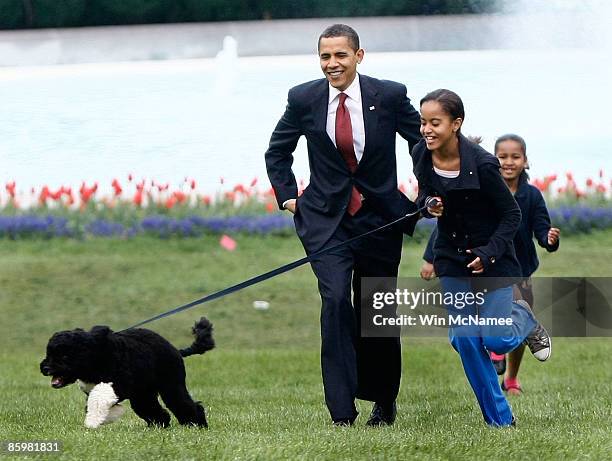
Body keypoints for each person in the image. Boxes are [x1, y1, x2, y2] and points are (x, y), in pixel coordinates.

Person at [265, 24, 422, 426]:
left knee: (376, 307)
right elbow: (278, 151)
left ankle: (383, 402)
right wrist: (287, 195)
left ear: (359, 56)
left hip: (380, 219)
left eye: (340, 56)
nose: (332, 64)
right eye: (325, 57)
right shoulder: (303, 98)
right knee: (335, 302)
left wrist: (426, 193)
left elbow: (421, 142)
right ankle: (341, 411)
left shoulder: (389, 95)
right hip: (326, 220)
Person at [412, 89, 551, 427]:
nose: (426, 130)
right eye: (422, 122)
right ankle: (501, 420)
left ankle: (525, 319)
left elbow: (511, 215)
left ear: (456, 123)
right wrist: (429, 204)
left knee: (495, 338)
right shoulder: (420, 153)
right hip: (451, 258)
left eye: (435, 122)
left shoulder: (484, 164)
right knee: (464, 338)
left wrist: (489, 254)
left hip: (494, 260)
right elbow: (423, 195)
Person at [421, 134, 560, 395]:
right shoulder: (479, 188)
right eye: (502, 156)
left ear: (525, 162)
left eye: (515, 157)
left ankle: (511, 378)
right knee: (474, 329)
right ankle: (495, 355)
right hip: (484, 267)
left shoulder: (530, 196)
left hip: (518, 270)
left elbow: (542, 229)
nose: (508, 162)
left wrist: (549, 239)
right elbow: (448, 228)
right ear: (492, 160)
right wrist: (431, 258)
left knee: (507, 331)